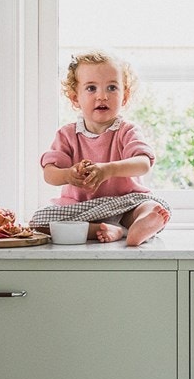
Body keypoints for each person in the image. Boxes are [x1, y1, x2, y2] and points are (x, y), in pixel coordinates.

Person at [29, 50, 171, 246]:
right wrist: (69, 175)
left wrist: (108, 169)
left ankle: (139, 224)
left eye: (112, 87)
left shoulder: (126, 131)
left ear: (125, 96)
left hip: (125, 204)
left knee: (153, 207)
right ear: (74, 98)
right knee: (39, 222)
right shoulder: (67, 135)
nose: (102, 96)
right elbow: (50, 173)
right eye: (91, 88)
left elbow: (143, 163)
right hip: (82, 209)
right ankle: (108, 230)